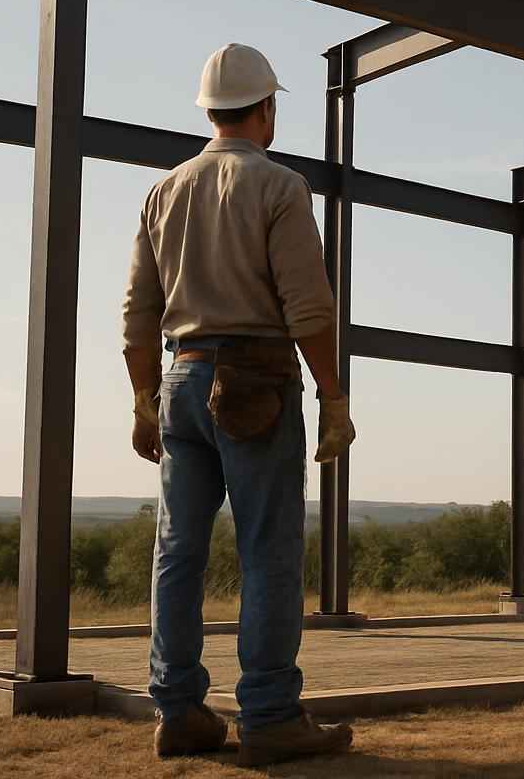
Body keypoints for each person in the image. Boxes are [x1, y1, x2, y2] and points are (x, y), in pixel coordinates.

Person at [121, 43, 357, 767]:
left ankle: (180, 711)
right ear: (267, 110)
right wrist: (334, 396)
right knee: (268, 553)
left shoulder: (165, 190)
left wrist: (141, 399)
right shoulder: (279, 186)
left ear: (209, 110)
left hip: (181, 378)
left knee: (178, 553)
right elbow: (309, 307)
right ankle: (270, 718)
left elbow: (138, 311)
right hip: (255, 381)